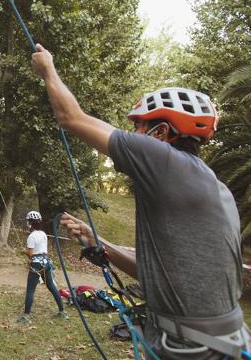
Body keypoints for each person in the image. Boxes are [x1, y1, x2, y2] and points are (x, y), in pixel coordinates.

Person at [31, 43, 249, 357]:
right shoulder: (210, 186)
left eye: (138, 127)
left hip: (190, 348)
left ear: (160, 133)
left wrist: (48, 70)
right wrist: (100, 242)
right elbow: (158, 277)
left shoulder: (164, 160)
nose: (132, 134)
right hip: (211, 344)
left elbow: (72, 119)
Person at [17, 211, 67, 324]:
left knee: (30, 290)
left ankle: (26, 315)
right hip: (46, 263)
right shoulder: (43, 234)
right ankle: (62, 311)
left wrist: (24, 251)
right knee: (52, 287)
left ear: (30, 222)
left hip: (36, 264)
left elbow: (30, 254)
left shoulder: (31, 236)